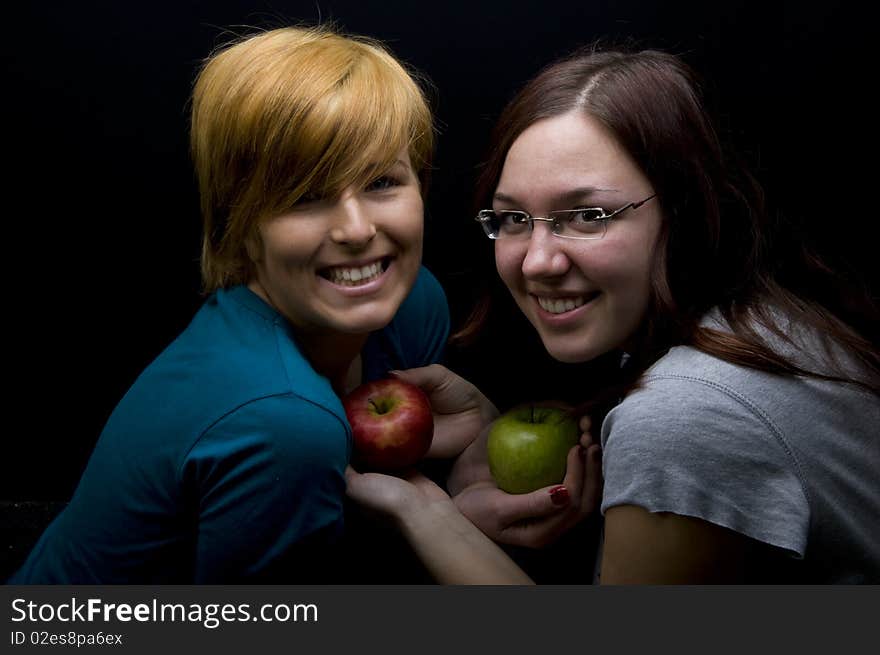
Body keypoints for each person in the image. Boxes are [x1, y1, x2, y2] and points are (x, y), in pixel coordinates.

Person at [346, 45, 880, 584]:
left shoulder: (684, 415)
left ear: (683, 210)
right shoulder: (767, 319)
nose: (536, 261)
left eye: (587, 215)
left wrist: (422, 509)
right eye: (512, 218)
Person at [9, 25, 450, 583]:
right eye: (305, 197)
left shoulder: (414, 306)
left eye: (382, 181)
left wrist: (447, 512)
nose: (357, 230)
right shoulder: (281, 422)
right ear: (239, 225)